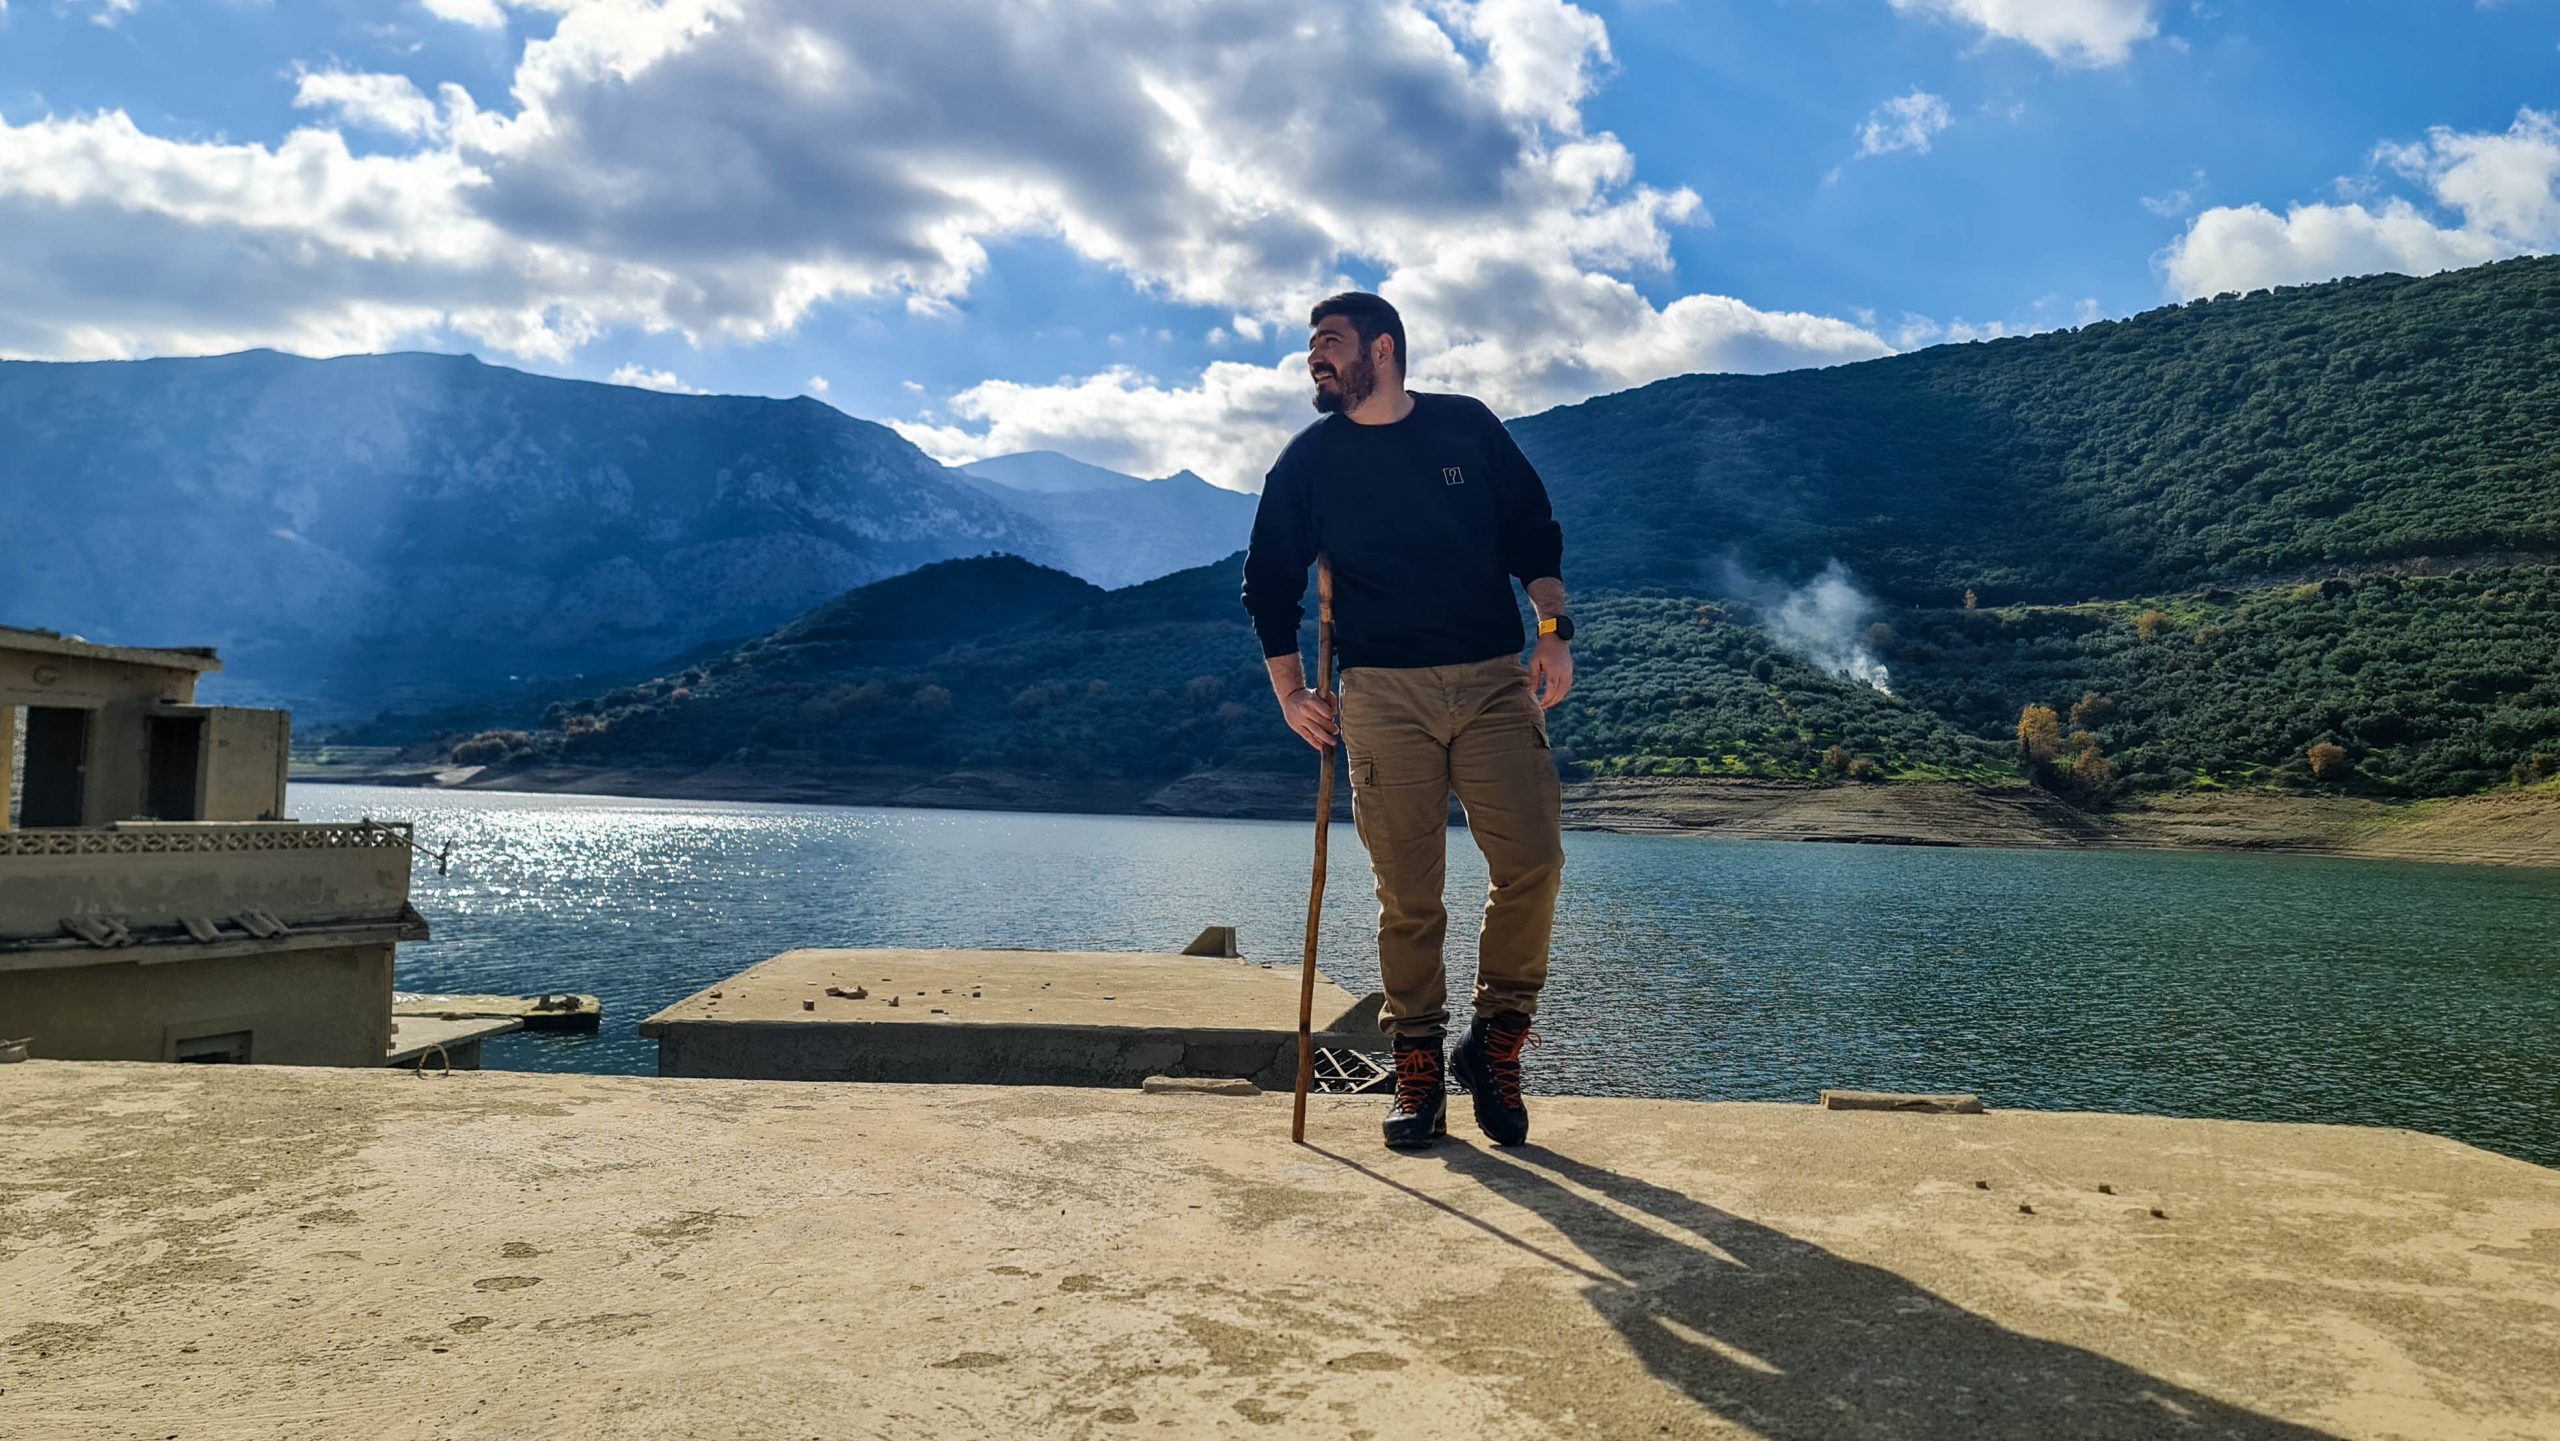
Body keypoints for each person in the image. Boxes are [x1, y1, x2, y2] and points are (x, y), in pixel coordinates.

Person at [1241, 291, 1574, 1150]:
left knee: (1534, 860)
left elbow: (1533, 534)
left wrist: (1552, 630)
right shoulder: (1308, 462)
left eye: (1330, 341)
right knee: (1409, 893)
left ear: (1382, 349)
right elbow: (1267, 580)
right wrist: (1290, 692)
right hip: (1382, 695)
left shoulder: (1466, 427)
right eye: (1311, 346)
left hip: (1495, 681)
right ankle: (1418, 1061)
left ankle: (1496, 1039)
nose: (1314, 357)